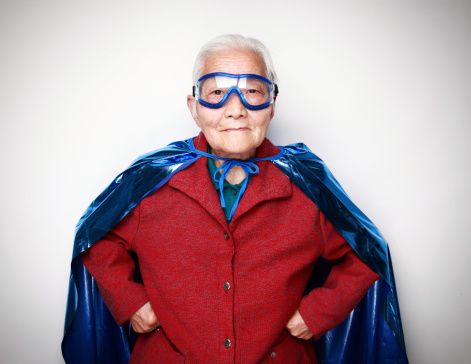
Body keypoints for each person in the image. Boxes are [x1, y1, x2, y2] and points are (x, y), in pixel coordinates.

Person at [62, 35, 408, 363]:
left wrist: (317, 313)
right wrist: (131, 302)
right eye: (216, 92)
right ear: (194, 107)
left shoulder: (306, 184)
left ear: (271, 105)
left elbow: (366, 254)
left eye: (252, 92)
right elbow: (96, 235)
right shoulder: (152, 179)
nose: (235, 109)